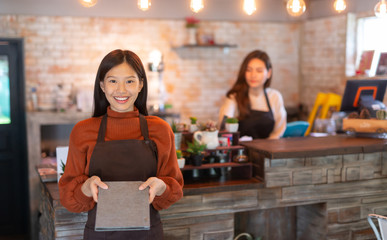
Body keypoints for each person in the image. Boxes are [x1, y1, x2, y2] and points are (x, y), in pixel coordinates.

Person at [59, 49, 184, 239]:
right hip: (99, 235)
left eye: (130, 81)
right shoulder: (83, 131)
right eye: (113, 81)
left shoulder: (160, 129)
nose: (121, 90)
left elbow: (175, 189)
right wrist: (86, 188)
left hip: (148, 234)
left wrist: (162, 187)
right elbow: (68, 198)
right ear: (102, 85)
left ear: (141, 84)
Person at [218, 50, 287, 139]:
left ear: (269, 73)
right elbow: (224, 127)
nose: (253, 75)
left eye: (259, 71)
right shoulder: (234, 98)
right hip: (241, 152)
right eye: (248, 70)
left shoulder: (275, 97)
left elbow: (278, 132)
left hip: (269, 150)